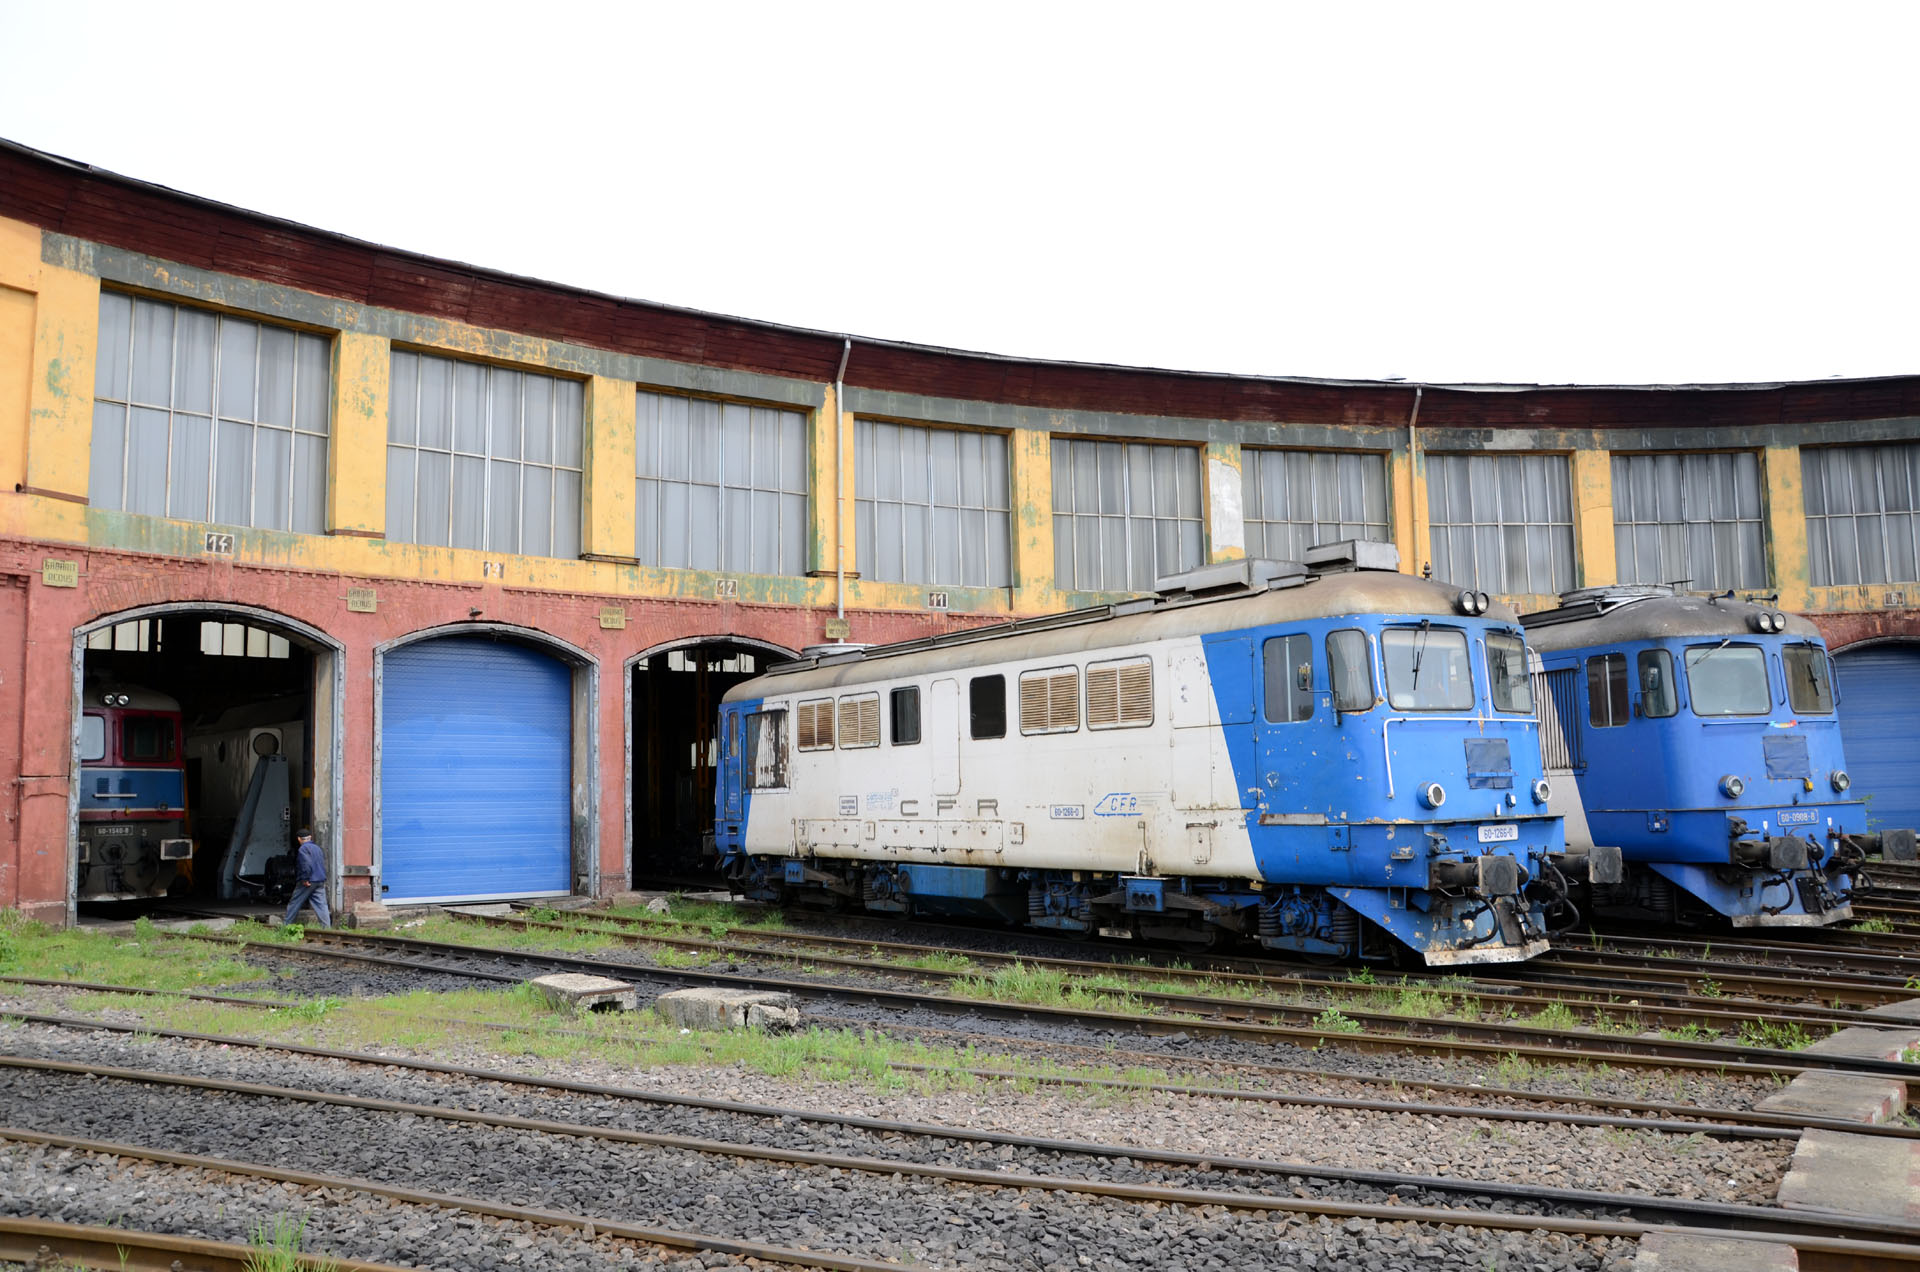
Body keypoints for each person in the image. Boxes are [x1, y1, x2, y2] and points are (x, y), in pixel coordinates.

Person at [282, 829, 331, 928]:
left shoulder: (303, 849)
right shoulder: (317, 848)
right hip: (320, 880)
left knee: (295, 902)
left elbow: (305, 865)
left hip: (309, 881)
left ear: (299, 839)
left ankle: (286, 926)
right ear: (310, 837)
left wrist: (305, 879)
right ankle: (327, 928)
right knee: (321, 905)